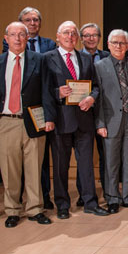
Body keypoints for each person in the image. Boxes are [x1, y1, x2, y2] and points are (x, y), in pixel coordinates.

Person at [0, 21, 55, 227]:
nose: (17, 39)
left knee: (35, 167)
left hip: (34, 121)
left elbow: (47, 91)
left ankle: (35, 209)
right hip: (5, 122)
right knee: (10, 170)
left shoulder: (39, 60)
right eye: (13, 35)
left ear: (27, 38)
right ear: (5, 38)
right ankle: (13, 210)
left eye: (21, 35)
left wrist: (49, 118)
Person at [44, 21, 109, 219]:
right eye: (66, 32)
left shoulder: (86, 58)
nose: (70, 36)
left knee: (87, 166)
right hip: (61, 121)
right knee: (61, 166)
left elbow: (96, 86)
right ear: (57, 36)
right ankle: (63, 205)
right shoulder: (47, 58)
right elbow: (43, 91)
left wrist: (92, 97)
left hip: (84, 120)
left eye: (73, 33)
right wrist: (57, 92)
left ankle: (90, 203)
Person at [3, 7, 57, 210]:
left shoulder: (49, 45)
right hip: (13, 113)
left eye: (36, 20)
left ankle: (40, 200)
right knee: (13, 166)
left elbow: (48, 81)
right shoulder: (7, 49)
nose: (32, 23)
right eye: (28, 20)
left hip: (40, 111)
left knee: (39, 162)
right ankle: (15, 205)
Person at [95, 29, 128, 213]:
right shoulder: (99, 66)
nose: (119, 46)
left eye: (122, 43)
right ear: (108, 45)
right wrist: (100, 123)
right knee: (111, 162)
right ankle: (112, 198)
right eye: (115, 43)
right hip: (110, 122)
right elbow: (98, 97)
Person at [76, 22, 110, 206]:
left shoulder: (107, 56)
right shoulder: (75, 58)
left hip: (106, 113)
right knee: (84, 157)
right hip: (84, 113)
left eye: (94, 35)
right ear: (81, 38)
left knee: (106, 156)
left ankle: (109, 192)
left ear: (99, 38)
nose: (91, 38)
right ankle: (84, 194)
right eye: (87, 35)